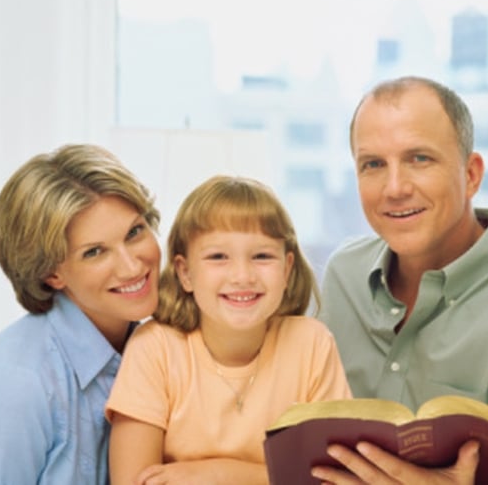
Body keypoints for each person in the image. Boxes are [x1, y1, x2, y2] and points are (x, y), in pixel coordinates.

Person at [313, 75, 488, 485]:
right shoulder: (343, 275)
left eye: (419, 159)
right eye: (373, 164)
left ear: (471, 175)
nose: (394, 188)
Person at [106, 175, 352, 485]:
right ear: (185, 273)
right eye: (218, 257)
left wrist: (219, 474)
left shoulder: (311, 343)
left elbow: (335, 479)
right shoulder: (155, 347)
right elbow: (133, 481)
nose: (242, 276)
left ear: (287, 269)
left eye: (262, 256)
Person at [0, 144, 161, 484]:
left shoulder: (151, 347)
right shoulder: (16, 388)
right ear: (52, 274)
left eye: (134, 232)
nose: (133, 266)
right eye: (95, 252)